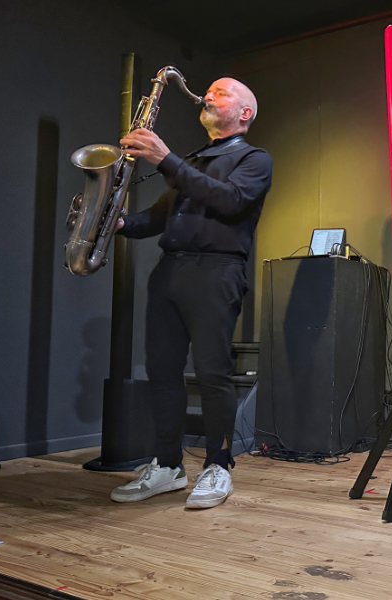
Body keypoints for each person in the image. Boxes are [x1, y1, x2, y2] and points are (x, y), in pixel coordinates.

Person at [109, 77, 272, 509]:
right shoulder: (196, 160)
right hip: (171, 269)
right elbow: (159, 217)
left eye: (222, 91)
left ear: (245, 113)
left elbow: (232, 201)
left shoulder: (255, 159)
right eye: (210, 90)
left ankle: (218, 466)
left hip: (216, 271)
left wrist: (166, 160)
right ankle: (168, 466)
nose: (209, 94)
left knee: (213, 373)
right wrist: (114, 224)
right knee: (162, 372)